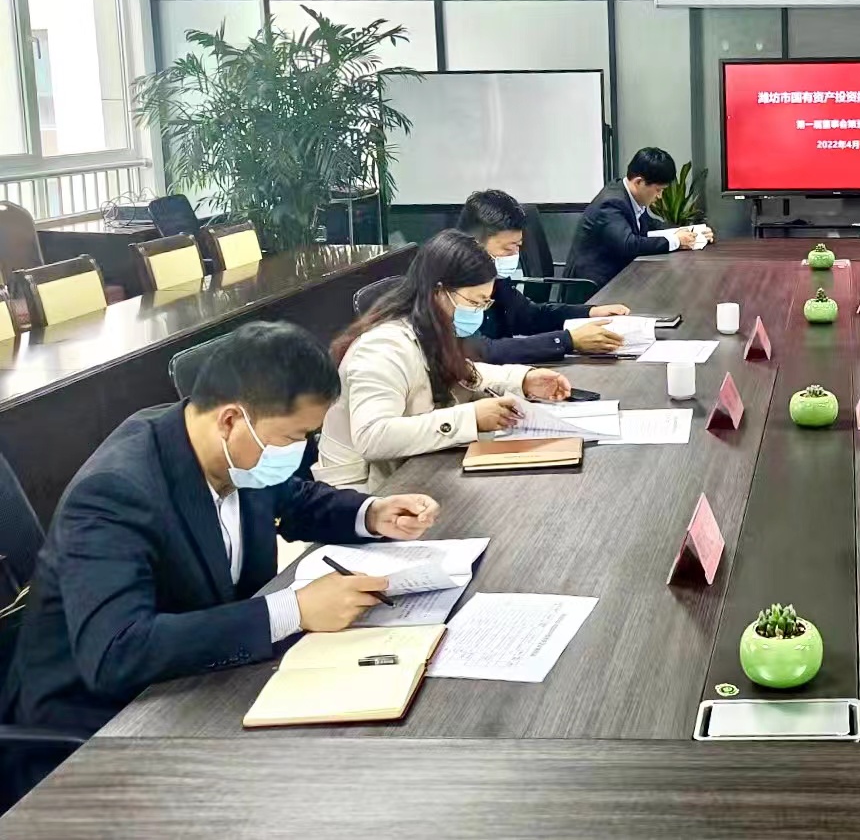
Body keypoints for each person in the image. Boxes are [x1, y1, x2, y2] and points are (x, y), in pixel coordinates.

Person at [1, 322, 440, 797]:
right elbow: (116, 652)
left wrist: (370, 513)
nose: (300, 452)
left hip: (201, 682)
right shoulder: (115, 492)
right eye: (294, 437)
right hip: (96, 733)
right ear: (231, 420)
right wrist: (292, 609)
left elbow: (291, 498)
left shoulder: (232, 452)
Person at [314, 230, 572, 491]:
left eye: (484, 303)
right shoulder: (382, 348)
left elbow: (461, 371)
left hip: (410, 470)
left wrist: (524, 380)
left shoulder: (430, 328)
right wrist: (470, 418)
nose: (477, 312)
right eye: (474, 302)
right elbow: (372, 437)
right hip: (362, 492)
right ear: (438, 292)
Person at [457, 189, 632, 362]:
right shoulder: (453, 284)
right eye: (508, 249)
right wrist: (568, 340)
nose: (514, 255)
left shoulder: (496, 278)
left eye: (518, 246)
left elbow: (530, 316)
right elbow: (484, 351)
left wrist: (590, 312)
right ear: (474, 243)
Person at [564, 148, 712, 292]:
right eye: (658, 190)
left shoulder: (629, 196)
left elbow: (650, 225)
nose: (660, 196)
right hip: (593, 289)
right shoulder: (611, 203)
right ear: (639, 182)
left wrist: (690, 232)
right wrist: (676, 241)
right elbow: (629, 244)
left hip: (618, 278)